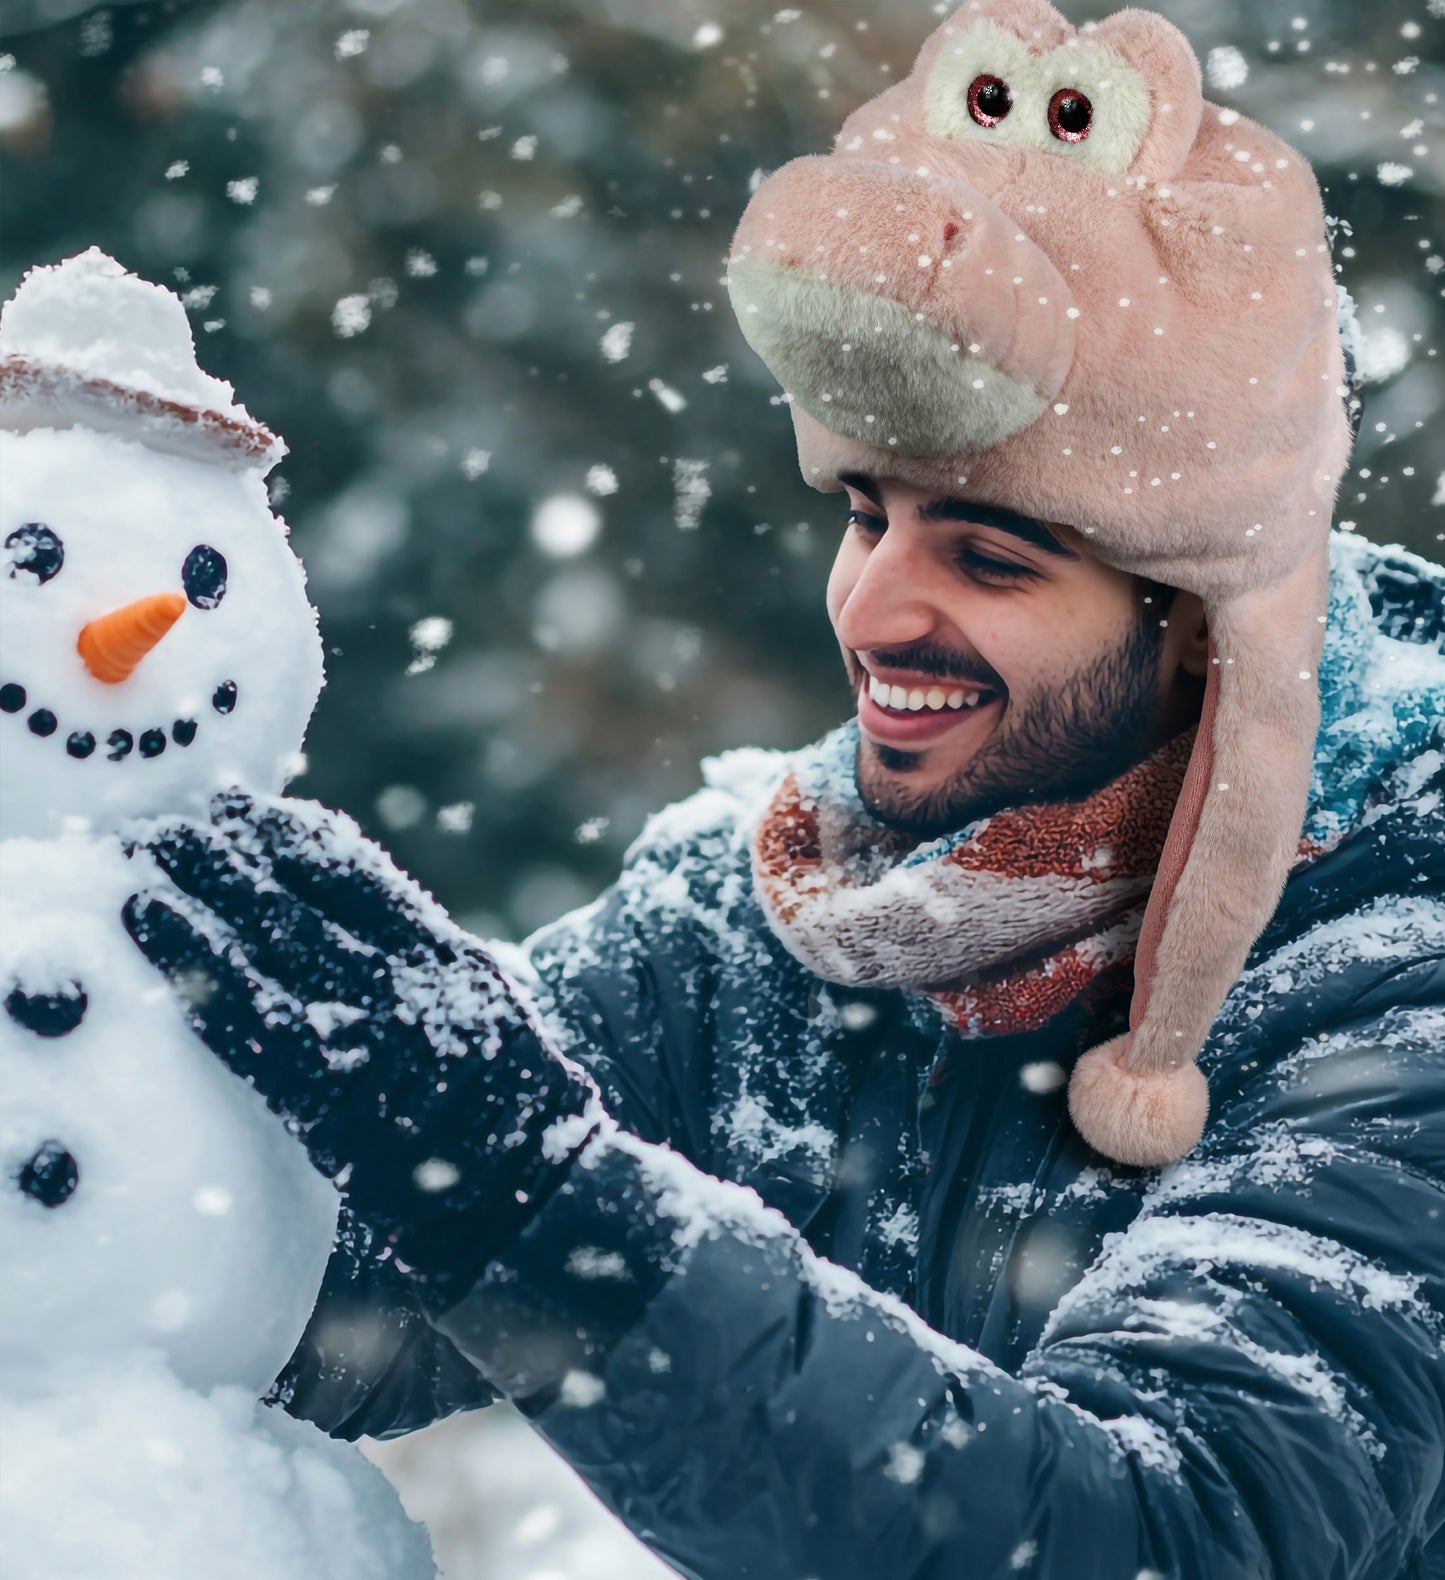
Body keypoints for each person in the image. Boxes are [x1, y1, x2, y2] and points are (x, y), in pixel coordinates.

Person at [125, 3, 1445, 1577]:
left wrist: (546, 1207)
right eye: (863, 512)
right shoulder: (782, 915)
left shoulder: (1391, 983)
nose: (875, 610)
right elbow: (280, 1303)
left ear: (1200, 626)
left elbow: (1163, 1531)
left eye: (989, 556)